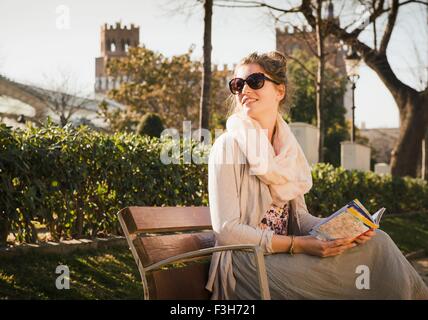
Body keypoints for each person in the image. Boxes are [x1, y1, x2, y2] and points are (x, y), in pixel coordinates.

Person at [205, 51, 428, 300]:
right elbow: (227, 231)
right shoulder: (227, 146)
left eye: (255, 81)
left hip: (283, 256)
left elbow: (299, 218)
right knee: (367, 277)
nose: (244, 89)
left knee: (378, 241)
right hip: (246, 263)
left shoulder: (288, 150)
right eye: (237, 84)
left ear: (280, 91)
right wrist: (298, 245)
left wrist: (342, 228)